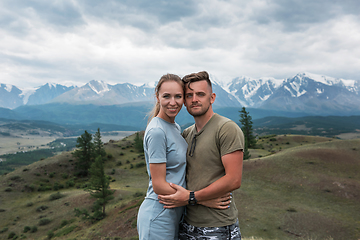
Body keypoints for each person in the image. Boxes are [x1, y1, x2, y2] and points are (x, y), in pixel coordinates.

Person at [137, 73, 231, 240]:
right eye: (166, 96)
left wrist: (191, 199)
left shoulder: (174, 127)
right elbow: (158, 185)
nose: (173, 102)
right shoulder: (157, 131)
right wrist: (199, 199)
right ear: (157, 97)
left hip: (174, 214)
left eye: (178, 96)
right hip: (159, 214)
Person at [158, 71, 245, 240]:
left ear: (211, 98)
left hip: (218, 226)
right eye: (189, 95)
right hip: (187, 224)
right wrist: (196, 200)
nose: (194, 99)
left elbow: (234, 179)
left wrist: (192, 197)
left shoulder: (226, 128)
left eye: (200, 94)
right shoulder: (186, 134)